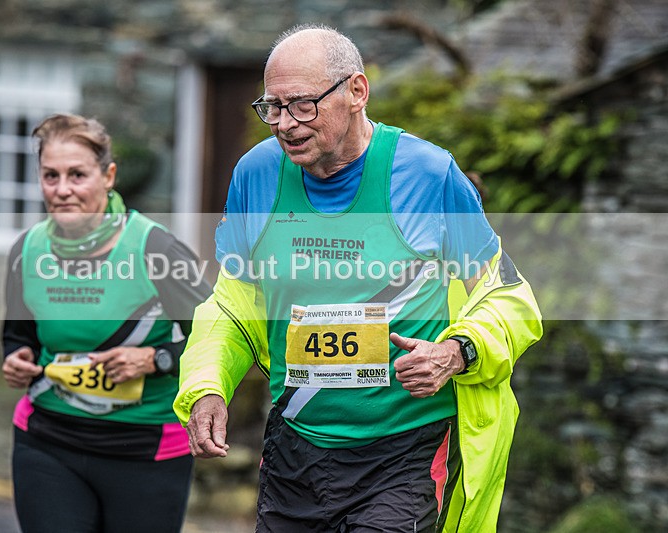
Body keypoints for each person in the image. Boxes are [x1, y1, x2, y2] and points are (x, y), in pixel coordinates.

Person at [173, 24, 543, 532]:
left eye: (302, 104)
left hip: (403, 453)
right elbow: (232, 306)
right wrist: (206, 385)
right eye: (272, 107)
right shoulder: (255, 175)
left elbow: (507, 296)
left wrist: (458, 350)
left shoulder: (428, 175)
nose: (284, 124)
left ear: (356, 91)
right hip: (295, 446)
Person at [2, 113, 211, 533]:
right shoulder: (28, 250)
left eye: (77, 175)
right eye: (50, 176)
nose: (62, 190)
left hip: (146, 449)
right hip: (48, 440)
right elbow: (17, 334)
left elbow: (219, 334)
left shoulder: (155, 248)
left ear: (108, 175)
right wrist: (15, 357)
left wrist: (156, 359)